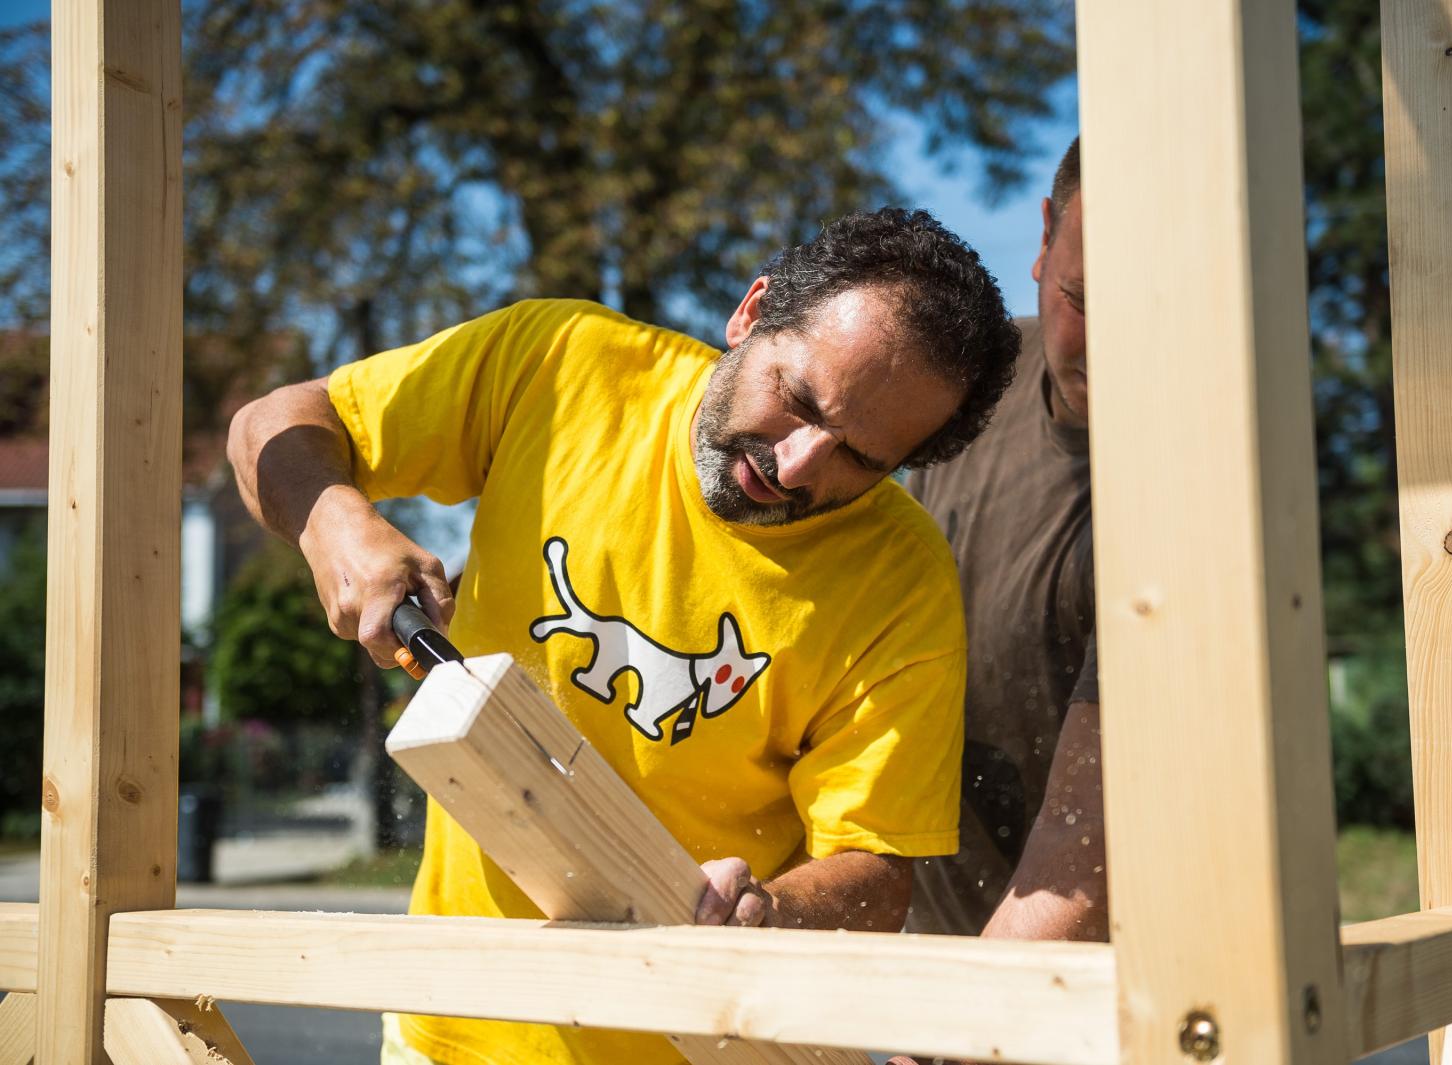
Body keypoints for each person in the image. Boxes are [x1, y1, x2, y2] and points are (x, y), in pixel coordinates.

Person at [226, 207, 1020, 1065]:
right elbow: (266, 426)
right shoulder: (562, 364)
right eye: (796, 399)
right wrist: (339, 527)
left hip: (704, 1046)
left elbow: (876, 869)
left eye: (861, 458)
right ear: (751, 313)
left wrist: (768, 910)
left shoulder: (903, 583)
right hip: (455, 1033)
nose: (796, 466)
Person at [903, 139, 1107, 945]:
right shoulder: (974, 382)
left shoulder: (1199, 478)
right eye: (1084, 299)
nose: (1109, 343)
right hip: (948, 961)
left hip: (1139, 998)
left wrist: (969, 1025)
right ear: (1047, 233)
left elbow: (1083, 851)